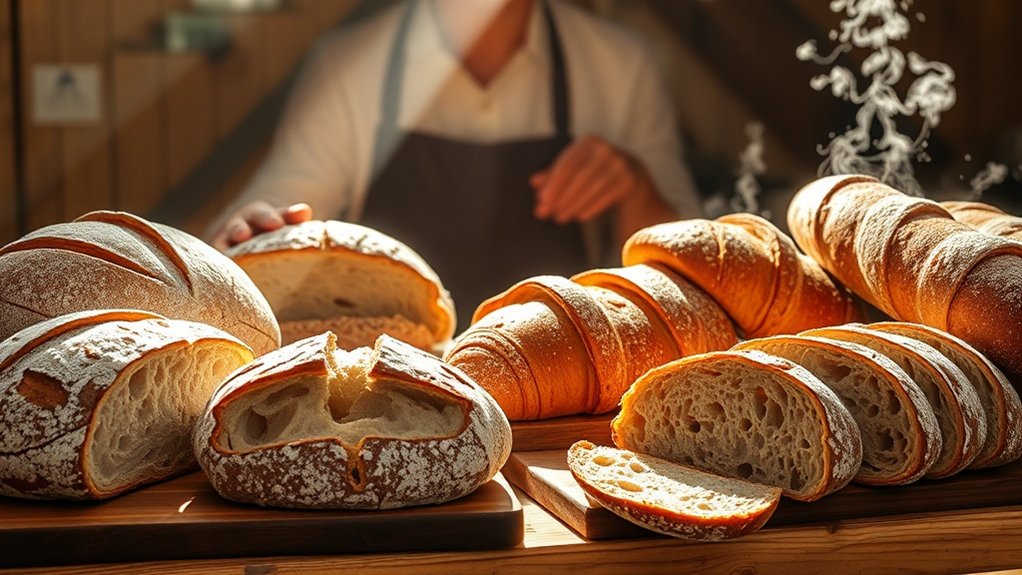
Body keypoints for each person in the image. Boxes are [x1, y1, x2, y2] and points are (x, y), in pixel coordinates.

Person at [208, 0, 701, 325]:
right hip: (391, 387)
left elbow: (691, 282)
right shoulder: (348, 64)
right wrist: (251, 233)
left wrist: (636, 187)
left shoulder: (619, 65)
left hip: (565, 392)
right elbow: (271, 209)